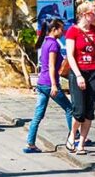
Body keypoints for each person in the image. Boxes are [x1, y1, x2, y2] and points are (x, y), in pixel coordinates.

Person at [24, 19, 73, 152]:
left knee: (38, 115)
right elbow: (51, 66)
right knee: (70, 109)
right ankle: (75, 136)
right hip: (48, 83)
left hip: (41, 83)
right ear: (54, 29)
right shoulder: (53, 45)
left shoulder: (46, 42)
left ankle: (30, 143)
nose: (63, 32)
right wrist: (54, 85)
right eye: (61, 29)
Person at [65, 0, 95, 154]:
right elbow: (70, 55)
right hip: (78, 71)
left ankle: (81, 144)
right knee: (79, 110)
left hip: (94, 70)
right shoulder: (72, 31)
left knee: (89, 110)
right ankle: (72, 135)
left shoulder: (94, 30)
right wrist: (79, 75)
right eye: (93, 14)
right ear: (83, 14)